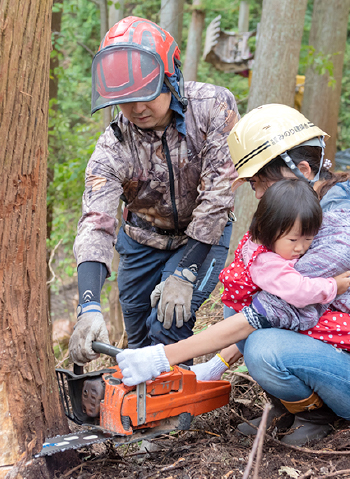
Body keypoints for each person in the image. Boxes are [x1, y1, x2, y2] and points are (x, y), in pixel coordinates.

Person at [117, 104, 350, 446]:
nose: (256, 195)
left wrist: (162, 357)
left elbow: (268, 313)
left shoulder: (337, 227)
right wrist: (217, 364)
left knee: (264, 347)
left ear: (302, 169)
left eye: (260, 183)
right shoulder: (304, 218)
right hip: (332, 349)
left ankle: (318, 414)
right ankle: (290, 405)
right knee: (238, 298)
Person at [69, 16, 240, 366]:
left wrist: (186, 271)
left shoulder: (211, 107)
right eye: (125, 100)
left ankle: (177, 418)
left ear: (170, 78)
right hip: (142, 240)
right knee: (138, 340)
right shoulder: (112, 147)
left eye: (146, 94)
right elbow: (95, 223)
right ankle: (140, 413)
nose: (137, 108)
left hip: (202, 237)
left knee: (168, 326)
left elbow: (219, 194)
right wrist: (88, 305)